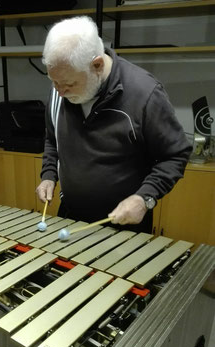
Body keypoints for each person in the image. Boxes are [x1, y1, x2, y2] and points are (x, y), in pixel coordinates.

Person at [35, 16, 192, 233]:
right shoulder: (60, 89)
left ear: (97, 65)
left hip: (123, 227)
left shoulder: (144, 94)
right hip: (70, 218)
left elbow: (175, 155)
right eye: (54, 82)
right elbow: (53, 139)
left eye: (69, 84)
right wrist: (49, 175)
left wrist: (144, 198)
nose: (60, 92)